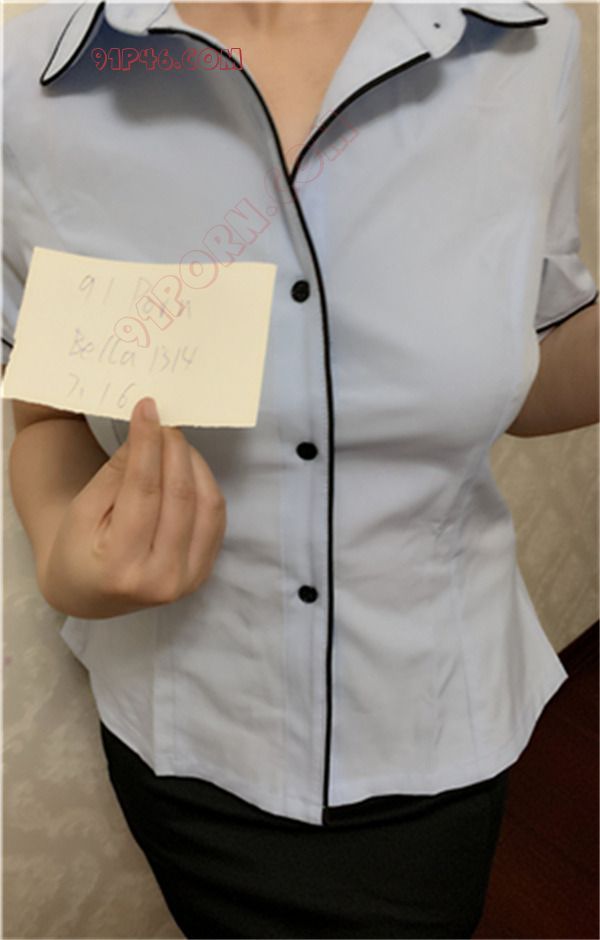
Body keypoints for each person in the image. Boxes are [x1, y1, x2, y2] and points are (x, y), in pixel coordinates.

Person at [4, 1, 598, 938]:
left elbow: (527, 363)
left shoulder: (531, 44)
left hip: (430, 722)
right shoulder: (27, 80)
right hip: (186, 742)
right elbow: (45, 412)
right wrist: (60, 553)